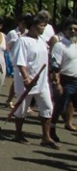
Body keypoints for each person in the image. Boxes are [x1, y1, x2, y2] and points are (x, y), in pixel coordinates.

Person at [12, 12, 57, 148]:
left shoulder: (41, 41)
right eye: (41, 25)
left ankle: (46, 136)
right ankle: (18, 133)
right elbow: (20, 62)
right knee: (22, 110)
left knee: (47, 108)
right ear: (32, 27)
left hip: (42, 83)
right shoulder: (22, 41)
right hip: (27, 83)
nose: (44, 28)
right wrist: (26, 78)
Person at [50, 18, 77, 142]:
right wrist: (57, 83)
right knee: (59, 107)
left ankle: (69, 123)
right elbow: (55, 66)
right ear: (64, 30)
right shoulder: (60, 45)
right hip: (65, 80)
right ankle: (51, 129)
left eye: (75, 29)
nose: (73, 31)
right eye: (70, 29)